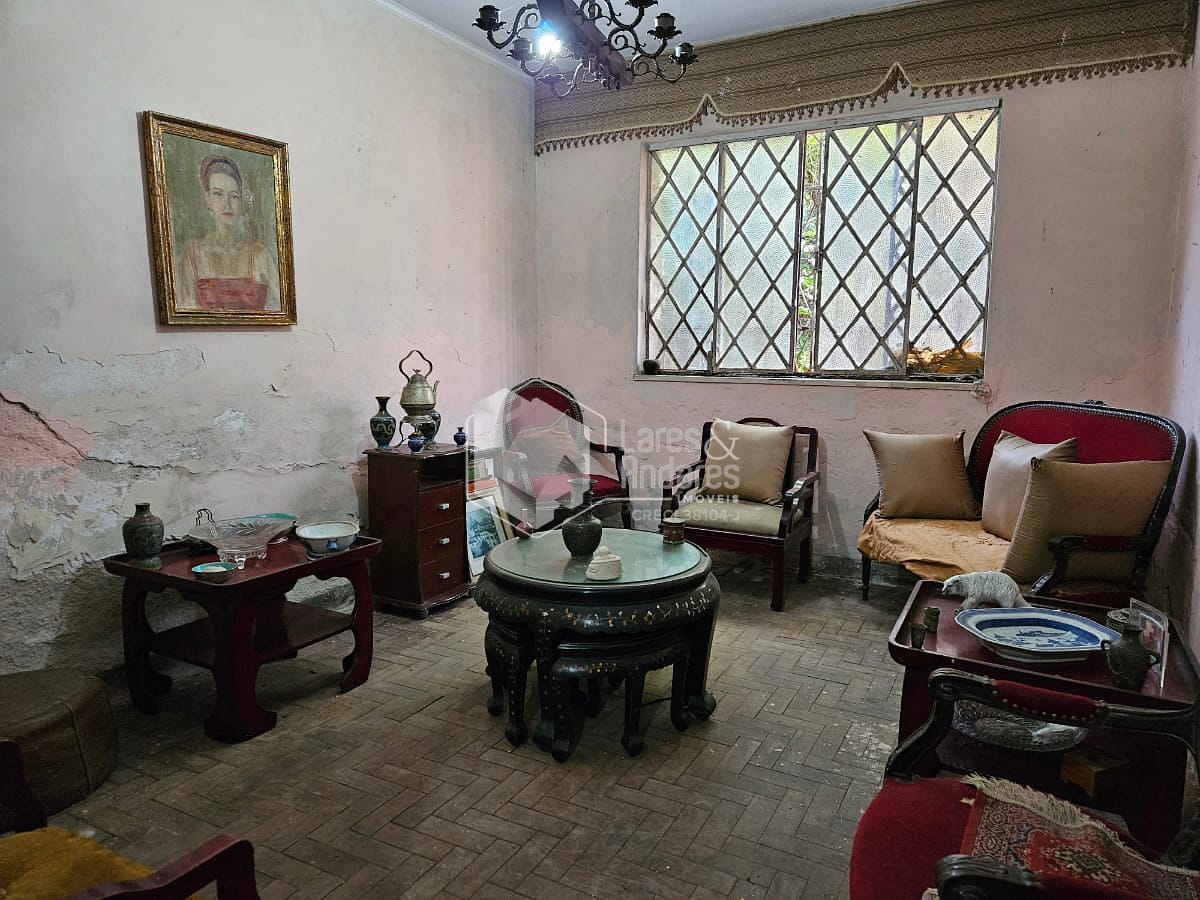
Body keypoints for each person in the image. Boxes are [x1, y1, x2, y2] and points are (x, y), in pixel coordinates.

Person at [177, 154, 280, 311]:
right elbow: (187, 310)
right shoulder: (194, 256)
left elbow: (280, 307)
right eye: (218, 194)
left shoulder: (260, 255)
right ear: (208, 198)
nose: (227, 204)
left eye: (234, 196)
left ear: (241, 202)